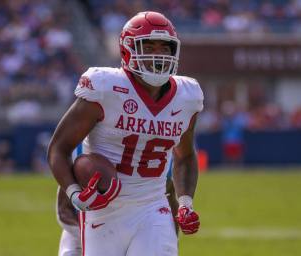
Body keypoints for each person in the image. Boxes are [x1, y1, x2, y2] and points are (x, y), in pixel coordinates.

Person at [48, 11, 204, 255]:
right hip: (98, 208)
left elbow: (184, 156)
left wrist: (185, 203)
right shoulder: (105, 87)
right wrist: (75, 195)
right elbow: (59, 148)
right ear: (127, 49)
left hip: (152, 205)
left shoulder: (187, 96)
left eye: (165, 47)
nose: (158, 55)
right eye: (148, 46)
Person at [56, 145, 179, 256]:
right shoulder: (82, 152)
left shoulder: (159, 159)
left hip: (137, 224)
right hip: (81, 229)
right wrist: (90, 237)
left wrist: (171, 239)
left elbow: (169, 198)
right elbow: (63, 210)